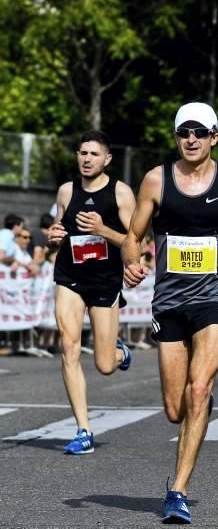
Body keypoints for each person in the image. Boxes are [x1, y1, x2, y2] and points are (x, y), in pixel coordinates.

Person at [121, 102, 218, 524]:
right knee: (174, 409)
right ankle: (197, 407)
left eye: (200, 133)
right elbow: (132, 236)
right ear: (177, 137)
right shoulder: (156, 179)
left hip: (217, 295)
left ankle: (178, 490)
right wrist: (131, 262)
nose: (191, 139)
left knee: (198, 388)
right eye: (184, 132)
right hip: (169, 299)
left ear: (214, 138)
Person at [46, 130, 136, 454]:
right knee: (68, 346)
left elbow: (134, 241)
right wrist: (53, 237)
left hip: (104, 281)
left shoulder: (121, 193)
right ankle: (83, 430)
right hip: (69, 276)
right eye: (82, 153)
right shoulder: (66, 191)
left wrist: (102, 230)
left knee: (104, 366)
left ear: (107, 159)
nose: (86, 159)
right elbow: (56, 231)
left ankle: (120, 352)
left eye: (93, 154)